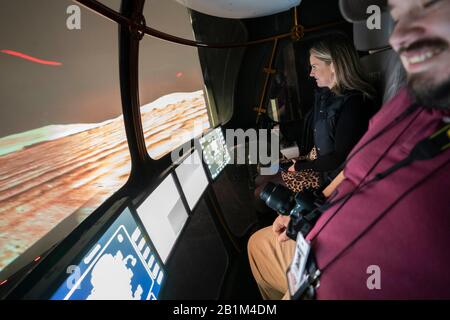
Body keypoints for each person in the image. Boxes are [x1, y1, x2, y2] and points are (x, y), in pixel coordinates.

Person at [248, 0, 450, 300]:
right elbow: (353, 170)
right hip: (317, 233)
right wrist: (309, 211)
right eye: (398, 16)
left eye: (428, 6)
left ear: (335, 66)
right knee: (256, 245)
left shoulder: (356, 103)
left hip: (335, 276)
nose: (396, 36)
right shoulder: (411, 100)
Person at [254, 34, 376, 213]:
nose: (311, 73)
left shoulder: (354, 104)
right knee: (260, 178)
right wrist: (283, 128)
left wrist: (299, 167)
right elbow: (313, 125)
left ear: (333, 66)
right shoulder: (329, 94)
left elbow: (338, 159)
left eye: (314, 67)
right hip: (318, 160)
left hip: (328, 176)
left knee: (260, 191)